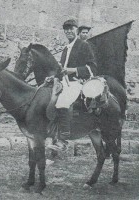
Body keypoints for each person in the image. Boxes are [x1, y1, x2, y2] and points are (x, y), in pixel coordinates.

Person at [47, 19, 97, 151]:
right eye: (66, 29)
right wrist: (52, 78)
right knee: (47, 98)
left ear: (77, 30)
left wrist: (73, 70)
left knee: (63, 102)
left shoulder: (84, 45)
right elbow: (62, 70)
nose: (68, 31)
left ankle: (63, 140)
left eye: (71, 28)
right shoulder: (65, 48)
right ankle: (52, 134)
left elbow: (92, 67)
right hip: (64, 82)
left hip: (77, 82)